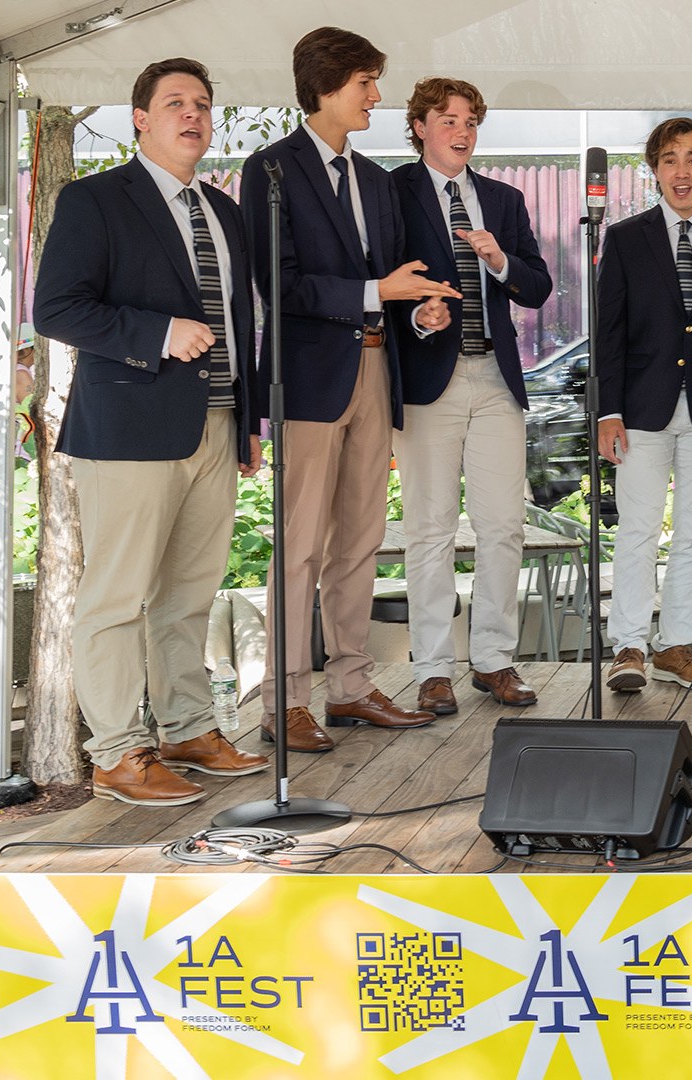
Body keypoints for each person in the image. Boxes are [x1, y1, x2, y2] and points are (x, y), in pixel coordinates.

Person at [34, 57, 269, 805]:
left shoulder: (224, 210)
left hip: (217, 419)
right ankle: (116, 753)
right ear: (140, 118)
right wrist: (156, 331)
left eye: (202, 103)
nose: (192, 114)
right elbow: (57, 310)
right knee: (116, 597)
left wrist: (248, 418)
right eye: (175, 103)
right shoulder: (94, 200)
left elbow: (241, 324)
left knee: (188, 596)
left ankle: (188, 727)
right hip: (129, 426)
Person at [242, 27, 459, 752]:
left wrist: (420, 309)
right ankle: (285, 702)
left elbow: (393, 278)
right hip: (306, 380)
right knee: (299, 546)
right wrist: (376, 289)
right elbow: (280, 283)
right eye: (366, 81)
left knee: (362, 542)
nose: (375, 95)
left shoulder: (374, 178)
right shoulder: (269, 170)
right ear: (328, 84)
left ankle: (352, 686)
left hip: (376, 368)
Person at [392, 76, 554, 716]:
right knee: (429, 530)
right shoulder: (392, 193)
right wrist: (416, 317)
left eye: (470, 121)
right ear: (420, 128)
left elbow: (538, 287)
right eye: (448, 119)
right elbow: (380, 280)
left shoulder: (505, 199)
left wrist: (500, 263)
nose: (462, 131)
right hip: (428, 378)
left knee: (503, 526)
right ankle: (432, 669)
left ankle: (493, 660)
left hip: (495, 380)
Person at [596, 118, 692, 694]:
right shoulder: (627, 238)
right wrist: (607, 409)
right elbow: (608, 330)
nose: (682, 171)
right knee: (636, 531)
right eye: (670, 159)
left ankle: (676, 646)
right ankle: (628, 646)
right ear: (655, 170)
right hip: (639, 410)